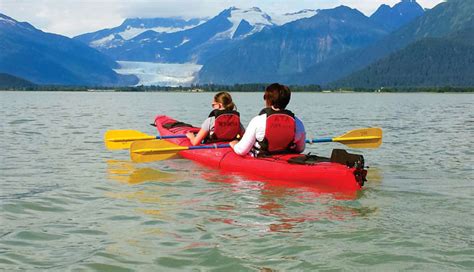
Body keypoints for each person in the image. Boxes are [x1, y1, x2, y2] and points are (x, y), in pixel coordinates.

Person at [230, 83, 305, 156]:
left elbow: (242, 150)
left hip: (263, 158)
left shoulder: (258, 121)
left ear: (268, 100)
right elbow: (300, 149)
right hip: (286, 158)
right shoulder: (298, 122)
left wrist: (234, 144)